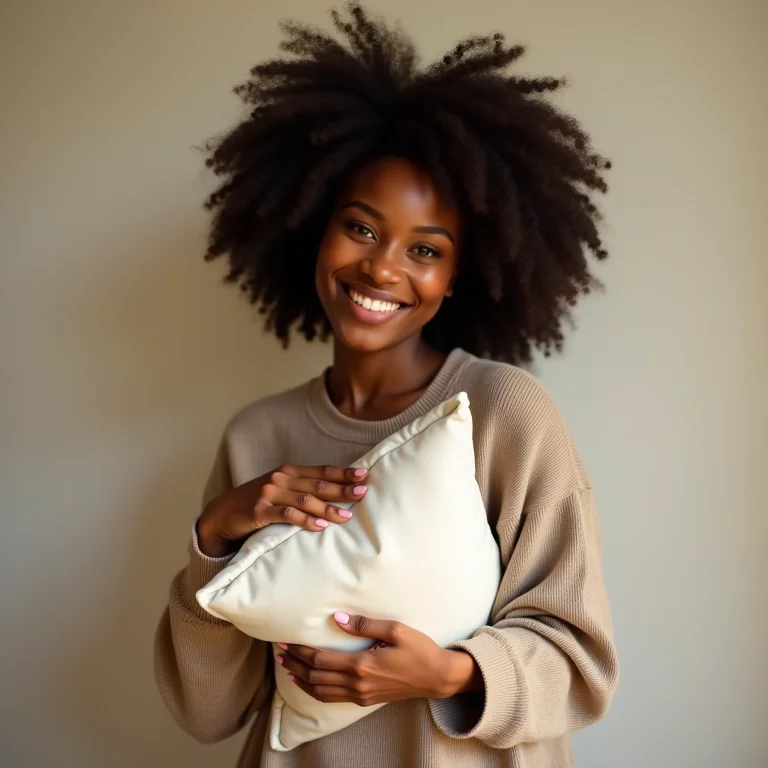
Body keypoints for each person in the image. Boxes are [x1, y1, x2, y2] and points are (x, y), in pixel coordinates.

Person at [154, 4, 619, 767]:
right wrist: (213, 535)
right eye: (362, 228)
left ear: (458, 275)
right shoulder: (256, 436)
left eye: (425, 249)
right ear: (315, 224)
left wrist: (446, 673)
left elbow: (581, 665)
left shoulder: (506, 414)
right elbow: (210, 713)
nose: (381, 268)